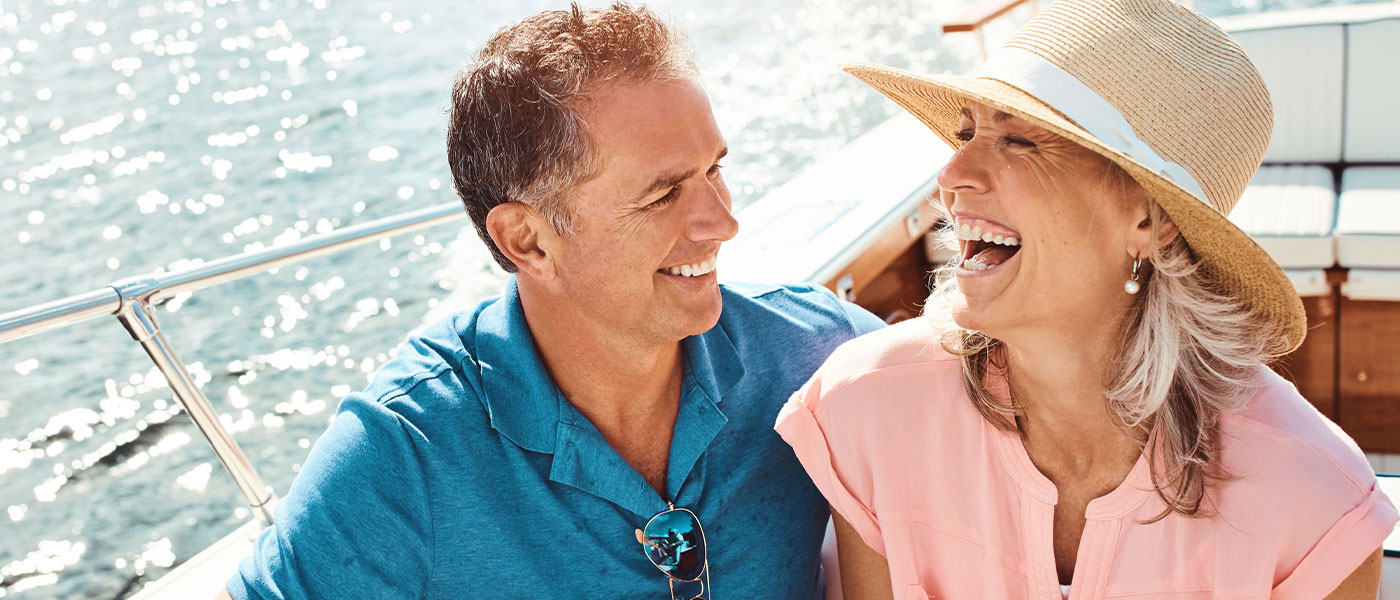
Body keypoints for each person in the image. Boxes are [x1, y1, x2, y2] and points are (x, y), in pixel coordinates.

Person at [219, 3, 884, 599]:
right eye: (663, 195)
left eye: (715, 170)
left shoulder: (816, 350)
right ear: (528, 241)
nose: (724, 222)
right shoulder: (408, 450)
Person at [775, 0, 1399, 598]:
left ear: (1151, 221)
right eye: (965, 134)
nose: (951, 175)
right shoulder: (868, 407)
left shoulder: (1316, 508)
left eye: (1020, 141)